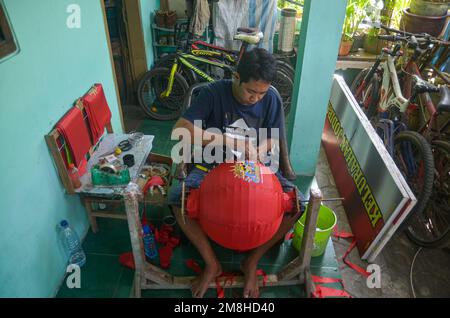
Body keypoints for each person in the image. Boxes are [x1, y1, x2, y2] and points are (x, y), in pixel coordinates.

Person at [168, 48, 304, 298]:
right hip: (211, 164)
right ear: (236, 76)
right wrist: (227, 141)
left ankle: (252, 261)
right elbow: (180, 130)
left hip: (255, 166)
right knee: (178, 197)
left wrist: (258, 152)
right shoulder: (212, 93)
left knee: (298, 203)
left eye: (261, 93)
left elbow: (273, 138)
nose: (255, 99)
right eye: (251, 91)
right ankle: (212, 263)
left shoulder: (270, 98)